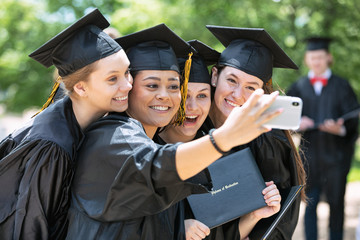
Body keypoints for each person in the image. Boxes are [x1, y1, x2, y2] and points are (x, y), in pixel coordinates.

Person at [65, 24, 282, 240]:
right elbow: (156, 163)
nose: (164, 95)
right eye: (151, 86)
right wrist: (224, 139)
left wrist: (251, 216)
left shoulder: (144, 139)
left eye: (173, 86)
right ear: (129, 85)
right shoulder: (112, 136)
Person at [0, 9, 132, 239]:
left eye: (127, 72)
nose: (128, 85)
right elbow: (29, 229)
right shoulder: (51, 146)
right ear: (80, 88)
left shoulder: (79, 124)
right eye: (113, 78)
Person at [157, 39, 283, 240]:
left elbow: (220, 234)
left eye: (202, 96)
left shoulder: (219, 153)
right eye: (184, 95)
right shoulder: (148, 153)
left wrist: (254, 216)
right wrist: (175, 229)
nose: (192, 107)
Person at [196, 25, 307, 239]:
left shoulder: (267, 139)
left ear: (262, 91)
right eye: (231, 80)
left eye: (250, 87)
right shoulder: (193, 124)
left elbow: (282, 215)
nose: (238, 95)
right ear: (215, 76)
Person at [287, 37, 359, 240]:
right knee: (309, 204)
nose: (317, 61)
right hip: (309, 157)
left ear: (329, 58)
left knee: (337, 204)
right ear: (307, 59)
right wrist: (298, 124)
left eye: (320, 57)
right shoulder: (298, 87)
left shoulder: (342, 86)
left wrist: (339, 129)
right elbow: (285, 119)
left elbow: (353, 120)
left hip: (336, 157)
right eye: (313, 57)